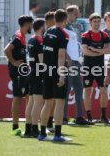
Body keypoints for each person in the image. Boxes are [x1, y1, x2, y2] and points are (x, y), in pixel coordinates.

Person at [38, 9, 71, 142]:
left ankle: (42, 134)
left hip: (46, 71)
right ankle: (57, 135)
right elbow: (61, 55)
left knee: (47, 103)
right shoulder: (63, 34)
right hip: (57, 72)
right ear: (65, 19)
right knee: (59, 103)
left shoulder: (48, 31)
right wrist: (62, 75)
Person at [4, 15, 33, 136]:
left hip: (23, 71)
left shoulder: (22, 37)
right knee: (18, 98)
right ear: (27, 24)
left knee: (28, 97)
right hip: (17, 73)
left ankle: (30, 125)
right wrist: (13, 62)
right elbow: (6, 50)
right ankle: (15, 127)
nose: (32, 26)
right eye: (31, 23)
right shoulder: (18, 37)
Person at [81, 13, 110, 124]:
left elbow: (109, 51)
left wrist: (94, 49)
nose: (97, 24)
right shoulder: (86, 35)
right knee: (88, 91)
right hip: (88, 67)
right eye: (95, 21)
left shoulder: (104, 35)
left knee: (104, 91)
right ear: (90, 23)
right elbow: (85, 52)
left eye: (99, 21)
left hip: (100, 68)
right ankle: (89, 117)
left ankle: (103, 116)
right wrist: (100, 51)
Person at [63, 5, 91, 125]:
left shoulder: (71, 27)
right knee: (67, 89)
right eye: (75, 14)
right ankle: (63, 117)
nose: (77, 16)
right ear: (68, 13)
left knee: (79, 89)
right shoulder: (63, 27)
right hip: (69, 62)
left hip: (76, 62)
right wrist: (67, 60)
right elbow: (62, 47)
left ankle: (79, 116)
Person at [24, 19, 45, 138]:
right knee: (38, 102)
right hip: (38, 72)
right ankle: (34, 129)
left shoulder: (31, 39)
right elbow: (42, 61)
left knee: (31, 102)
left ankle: (28, 129)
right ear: (41, 27)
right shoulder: (39, 40)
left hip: (32, 71)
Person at [44, 11, 56, 132]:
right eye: (54, 19)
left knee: (51, 99)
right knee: (44, 100)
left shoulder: (53, 33)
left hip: (52, 69)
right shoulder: (44, 34)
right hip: (45, 70)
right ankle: (42, 124)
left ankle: (49, 122)